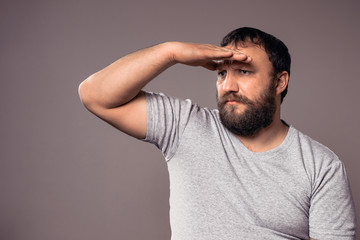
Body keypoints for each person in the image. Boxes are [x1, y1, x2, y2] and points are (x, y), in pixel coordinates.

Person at [78, 27, 356, 239]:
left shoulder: (322, 167)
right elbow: (95, 95)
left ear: (279, 82)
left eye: (244, 72)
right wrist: (170, 52)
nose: (228, 86)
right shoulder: (184, 125)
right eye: (222, 74)